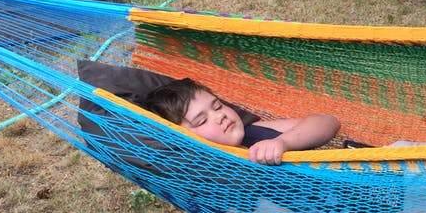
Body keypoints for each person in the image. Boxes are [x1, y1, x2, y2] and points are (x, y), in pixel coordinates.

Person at [141, 78, 340, 164]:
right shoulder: (219, 180)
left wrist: (283, 142)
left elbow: (328, 121)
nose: (220, 116)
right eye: (202, 121)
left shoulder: (256, 132)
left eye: (217, 106)